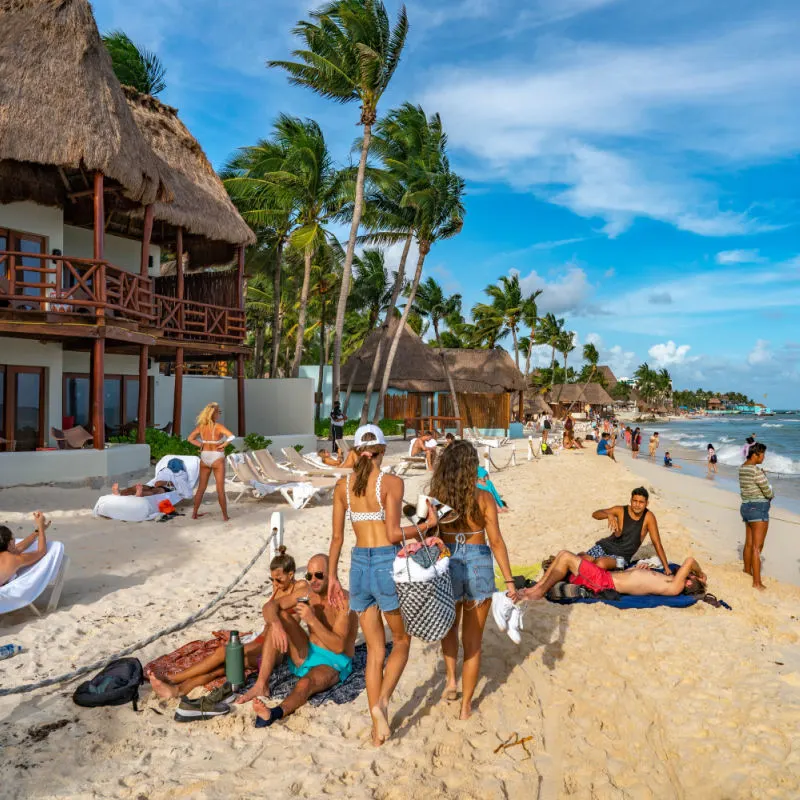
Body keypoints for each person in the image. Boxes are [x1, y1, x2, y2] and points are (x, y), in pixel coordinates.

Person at [328, 424, 438, 746]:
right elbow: (392, 534)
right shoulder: (390, 483)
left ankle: (378, 731)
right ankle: (383, 703)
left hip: (358, 565)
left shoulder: (342, 487)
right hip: (384, 564)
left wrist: (333, 577)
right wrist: (428, 525)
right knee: (401, 641)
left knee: (375, 650)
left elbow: (336, 538)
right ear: (383, 450)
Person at [431, 440, 518, 720]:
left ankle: (450, 681)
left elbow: (429, 535)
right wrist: (510, 581)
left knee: (448, 627)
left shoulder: (437, 496)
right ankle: (466, 705)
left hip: (448, 561)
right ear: (471, 467)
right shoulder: (484, 498)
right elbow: (496, 541)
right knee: (473, 640)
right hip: (479, 562)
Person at [147, 547, 307, 698]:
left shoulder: (301, 587)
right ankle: (177, 690)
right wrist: (248, 634)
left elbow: (292, 615)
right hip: (259, 639)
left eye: (278, 580)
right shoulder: (278, 588)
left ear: (291, 574)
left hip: (276, 648)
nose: (274, 584)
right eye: (271, 579)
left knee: (225, 653)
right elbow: (269, 616)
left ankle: (174, 678)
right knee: (223, 668)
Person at [237, 554, 358, 728]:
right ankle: (261, 684)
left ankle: (274, 713)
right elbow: (269, 607)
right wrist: (276, 625)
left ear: (331, 574)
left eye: (319, 575)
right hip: (307, 653)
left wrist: (311, 620)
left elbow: (338, 647)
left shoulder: (343, 601)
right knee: (280, 617)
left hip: (334, 661)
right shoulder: (307, 592)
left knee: (305, 683)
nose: (313, 580)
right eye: (309, 576)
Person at [519, 551, 707, 601]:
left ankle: (538, 591)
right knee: (563, 555)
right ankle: (536, 588)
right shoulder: (669, 582)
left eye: (690, 576)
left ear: (689, 582)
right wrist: (637, 570)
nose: (687, 573)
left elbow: (689, 560)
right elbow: (636, 582)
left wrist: (701, 574)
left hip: (605, 582)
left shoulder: (675, 587)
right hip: (608, 577)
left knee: (566, 556)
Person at [582, 487, 672, 573]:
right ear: (631, 500)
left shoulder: (649, 517)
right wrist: (608, 515)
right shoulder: (620, 510)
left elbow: (657, 543)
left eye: (641, 502)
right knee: (583, 561)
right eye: (635, 501)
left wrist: (666, 567)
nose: (637, 505)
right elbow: (595, 514)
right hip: (604, 547)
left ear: (646, 503)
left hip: (621, 558)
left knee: (600, 564)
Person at [188, 402, 234, 521]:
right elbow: (232, 436)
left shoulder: (201, 427)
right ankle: (225, 516)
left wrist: (201, 445)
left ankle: (194, 513)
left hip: (204, 456)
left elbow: (190, 438)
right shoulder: (218, 426)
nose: (219, 414)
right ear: (214, 414)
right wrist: (224, 444)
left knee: (201, 487)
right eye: (219, 412)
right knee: (220, 488)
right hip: (216, 456)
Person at [739, 442, 773, 591]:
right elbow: (768, 492)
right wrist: (764, 479)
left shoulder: (742, 469)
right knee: (757, 548)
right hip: (758, 509)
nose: (764, 457)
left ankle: (747, 571)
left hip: (746, 507)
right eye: (762, 454)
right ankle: (757, 582)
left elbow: (751, 485)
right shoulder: (756, 471)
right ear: (755, 455)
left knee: (749, 543)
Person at [0, 511, 48, 586]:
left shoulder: (5, 553)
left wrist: (37, 531)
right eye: (13, 537)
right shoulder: (13, 559)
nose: (15, 540)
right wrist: (41, 527)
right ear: (9, 542)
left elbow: (18, 548)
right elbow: (41, 552)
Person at [111, 458, 193, 498]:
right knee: (153, 490)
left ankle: (121, 492)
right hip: (163, 487)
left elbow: (158, 482)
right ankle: (138, 493)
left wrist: (168, 482)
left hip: (161, 487)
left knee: (149, 488)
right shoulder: (180, 473)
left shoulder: (168, 471)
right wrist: (169, 483)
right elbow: (184, 488)